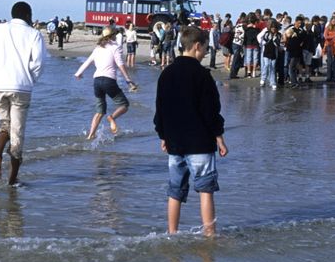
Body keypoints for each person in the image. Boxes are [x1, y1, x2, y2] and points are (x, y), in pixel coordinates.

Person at [153, 26, 229, 237]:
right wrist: (219, 137)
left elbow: (160, 108)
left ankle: (172, 233)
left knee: (175, 191)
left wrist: (162, 135)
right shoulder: (202, 76)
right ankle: (209, 235)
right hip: (199, 143)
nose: (206, 53)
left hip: (175, 142)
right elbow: (211, 111)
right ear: (197, 46)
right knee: (206, 190)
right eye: (205, 48)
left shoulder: (166, 73)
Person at [0, 1, 46, 185]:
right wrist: (30, 80)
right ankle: (12, 182)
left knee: (4, 124)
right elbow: (38, 63)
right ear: (28, 15)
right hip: (21, 87)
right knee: (17, 133)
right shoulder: (34, 34)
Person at [75, 27, 137, 139]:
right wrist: (128, 79)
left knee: (99, 111)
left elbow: (87, 62)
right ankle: (112, 118)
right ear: (113, 35)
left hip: (97, 81)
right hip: (109, 81)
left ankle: (91, 135)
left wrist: (78, 73)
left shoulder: (97, 48)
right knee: (124, 105)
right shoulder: (115, 47)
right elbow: (120, 64)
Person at [258, 20, 282, 90]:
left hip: (274, 53)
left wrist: (275, 38)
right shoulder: (266, 33)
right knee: (267, 65)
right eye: (272, 27)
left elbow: (277, 44)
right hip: (266, 53)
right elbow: (263, 40)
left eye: (275, 28)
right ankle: (263, 79)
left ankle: (273, 83)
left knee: (272, 67)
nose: (273, 29)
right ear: (270, 28)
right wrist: (262, 43)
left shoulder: (278, 35)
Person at [322, 18, 335, 83]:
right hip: (329, 46)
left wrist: (331, 36)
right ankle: (328, 77)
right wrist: (334, 36)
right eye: (332, 21)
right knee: (329, 62)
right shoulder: (328, 27)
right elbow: (325, 36)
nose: (334, 22)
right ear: (330, 21)